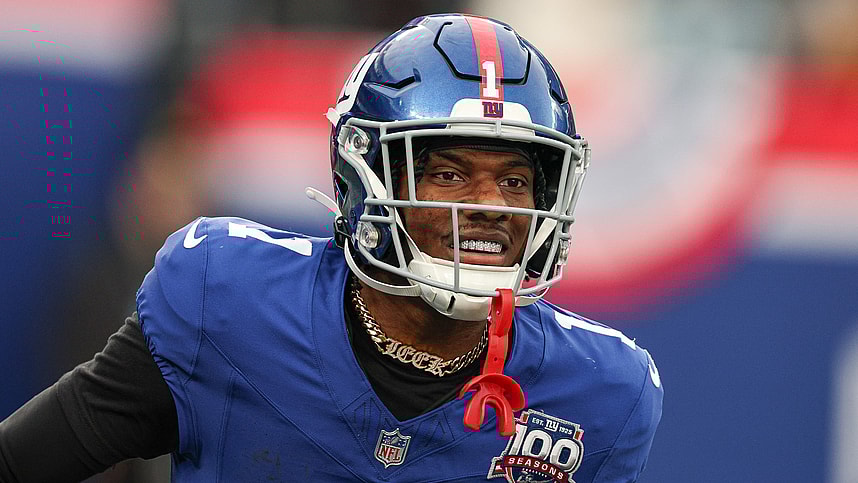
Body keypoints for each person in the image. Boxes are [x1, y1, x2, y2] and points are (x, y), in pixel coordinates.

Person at [0, 13, 662, 482]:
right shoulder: (223, 299)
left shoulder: (601, 394)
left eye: (515, 180)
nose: (489, 206)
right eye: (450, 173)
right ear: (363, 175)